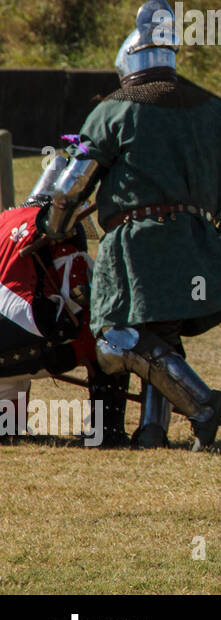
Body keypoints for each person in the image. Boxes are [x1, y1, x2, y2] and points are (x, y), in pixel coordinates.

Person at [36, 0, 221, 451]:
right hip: (199, 241)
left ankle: (203, 402)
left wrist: (52, 227)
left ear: (128, 64)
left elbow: (70, 189)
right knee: (161, 334)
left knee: (114, 337)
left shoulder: (114, 109)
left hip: (139, 243)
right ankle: (151, 433)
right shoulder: (211, 108)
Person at [0, 164, 103, 444]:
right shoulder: (58, 227)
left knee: (10, 371)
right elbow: (79, 290)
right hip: (29, 340)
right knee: (111, 339)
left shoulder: (4, 219)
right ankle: (105, 429)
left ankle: (6, 427)